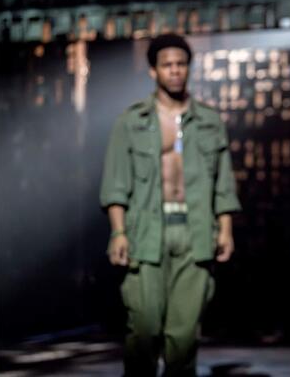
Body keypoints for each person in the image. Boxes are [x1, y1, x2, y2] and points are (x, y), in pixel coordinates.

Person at [100, 33, 241, 376]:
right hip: (144, 233)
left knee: (183, 339)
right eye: (167, 65)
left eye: (181, 64)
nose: (175, 71)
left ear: (189, 68)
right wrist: (118, 232)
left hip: (195, 234)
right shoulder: (131, 121)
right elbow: (116, 183)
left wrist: (225, 229)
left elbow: (223, 181)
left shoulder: (209, 121)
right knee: (144, 329)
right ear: (153, 71)